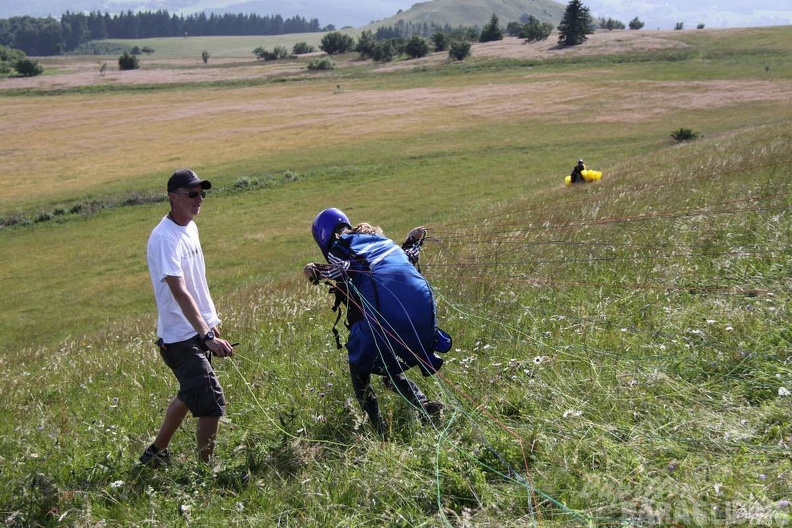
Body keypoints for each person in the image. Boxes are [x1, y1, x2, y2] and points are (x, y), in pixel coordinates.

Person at [303, 208, 448, 436]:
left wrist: (315, 272)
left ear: (323, 236)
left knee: (360, 369)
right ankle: (422, 405)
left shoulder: (339, 248)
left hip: (385, 318)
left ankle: (378, 430)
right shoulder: (381, 241)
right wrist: (412, 239)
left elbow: (340, 270)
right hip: (424, 318)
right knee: (389, 364)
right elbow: (408, 255)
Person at [140, 168, 235, 467]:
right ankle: (207, 472)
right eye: (192, 194)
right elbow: (179, 291)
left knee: (191, 392)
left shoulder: (190, 227)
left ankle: (156, 453)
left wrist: (211, 322)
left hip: (195, 329)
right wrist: (206, 334)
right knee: (210, 402)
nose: (199, 199)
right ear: (172, 197)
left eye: (202, 193)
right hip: (180, 338)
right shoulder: (164, 238)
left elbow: (198, 283)